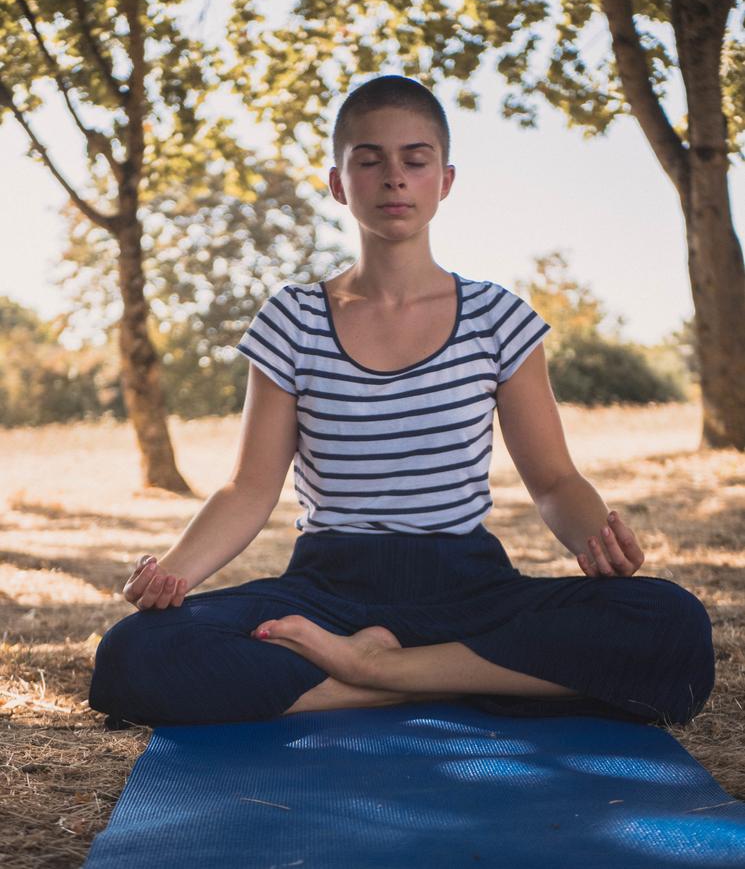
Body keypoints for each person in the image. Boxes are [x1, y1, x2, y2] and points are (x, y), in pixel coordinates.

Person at [88, 75, 715, 731]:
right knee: (136, 653)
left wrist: (595, 538)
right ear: (339, 182)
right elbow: (248, 487)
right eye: (370, 161)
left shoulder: (497, 317)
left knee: (671, 625)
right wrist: (174, 575)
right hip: (327, 591)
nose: (394, 178)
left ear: (443, 181)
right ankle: (434, 679)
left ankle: (383, 673)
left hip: (469, 588)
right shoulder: (293, 319)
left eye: (414, 161)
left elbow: (554, 480)